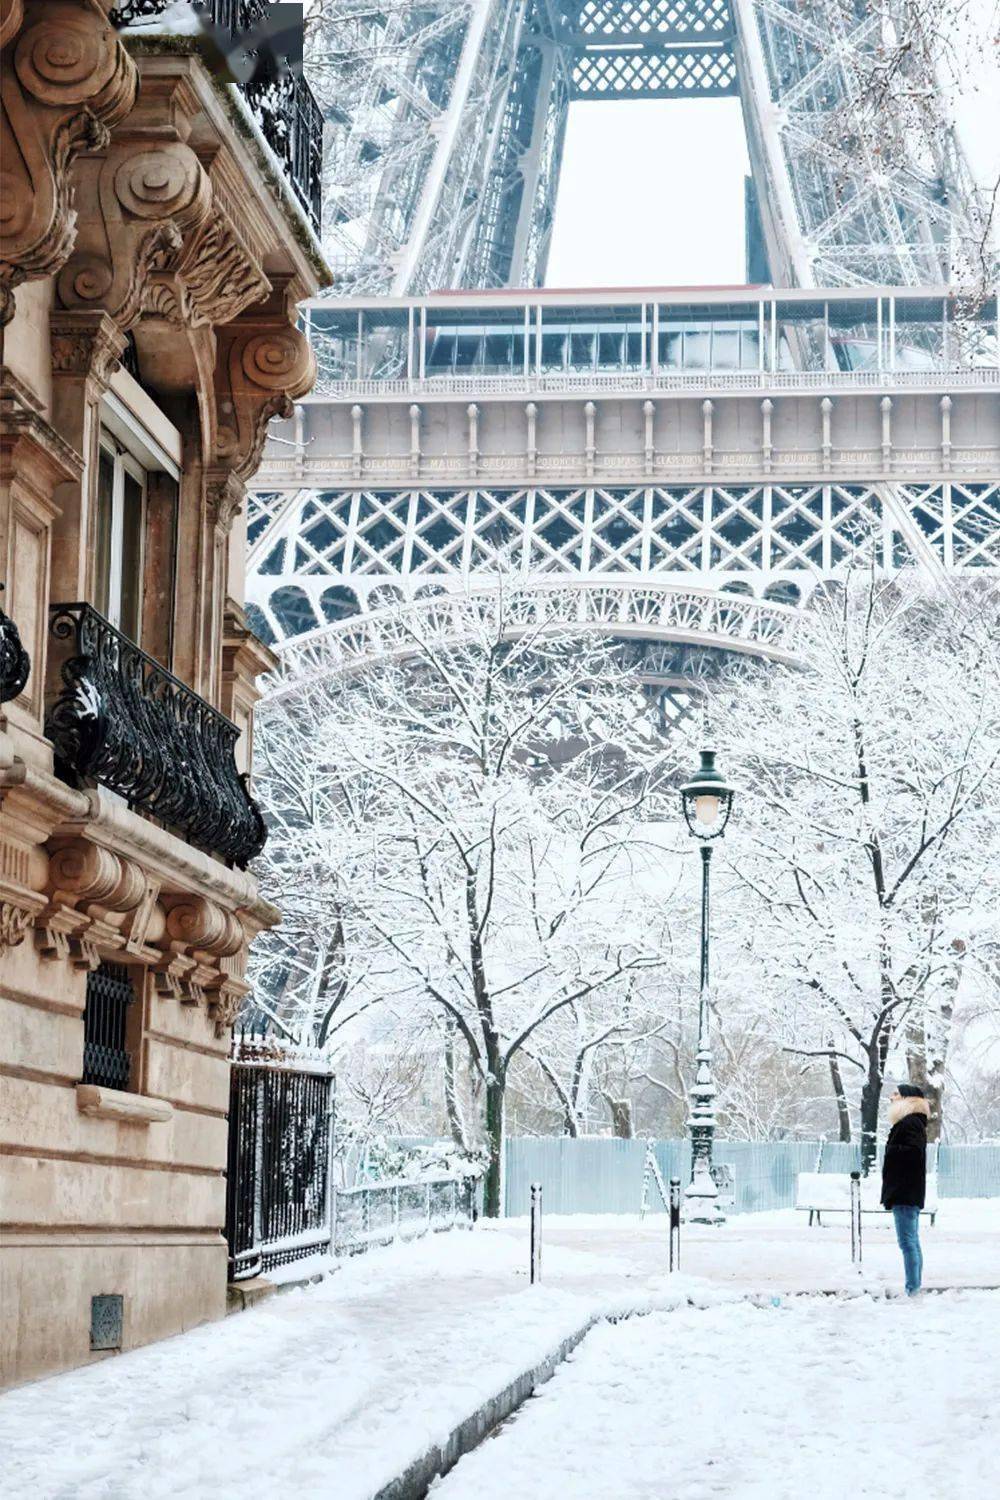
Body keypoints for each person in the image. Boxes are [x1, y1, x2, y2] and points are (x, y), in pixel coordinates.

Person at [880, 1083, 930, 1296]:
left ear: (907, 1099)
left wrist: (891, 1150)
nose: (892, 1097)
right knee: (911, 1241)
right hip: (907, 1189)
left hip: (905, 1190)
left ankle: (913, 1288)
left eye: (896, 1094)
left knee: (907, 1242)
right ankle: (914, 1286)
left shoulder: (910, 1123)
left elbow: (913, 1152)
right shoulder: (911, 1122)